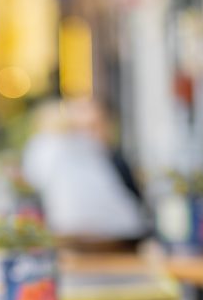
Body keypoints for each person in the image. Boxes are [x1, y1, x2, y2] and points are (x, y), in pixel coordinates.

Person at [21, 97, 146, 240]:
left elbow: (34, 178)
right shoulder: (86, 147)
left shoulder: (50, 146)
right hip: (114, 229)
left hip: (77, 228)